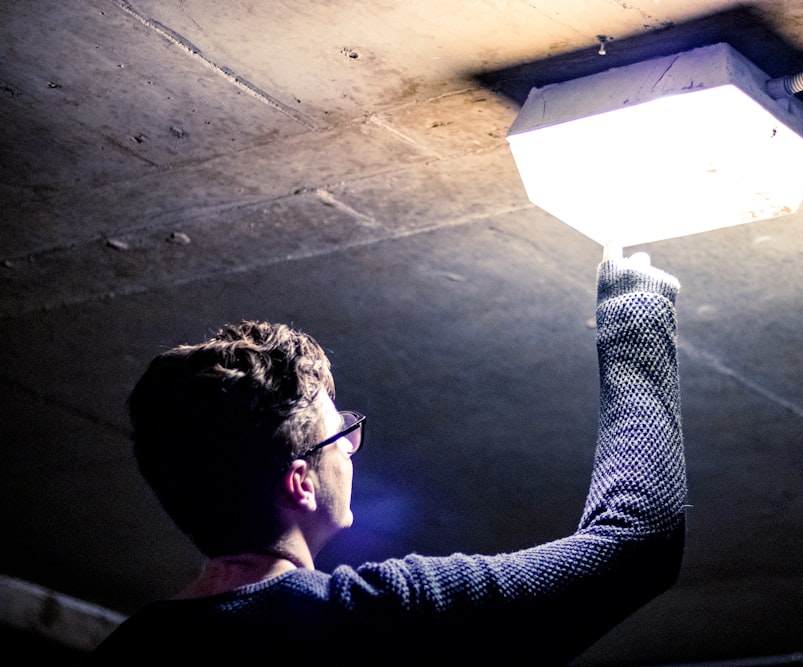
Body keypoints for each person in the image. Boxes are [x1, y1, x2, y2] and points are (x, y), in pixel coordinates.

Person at [92, 247, 688, 663]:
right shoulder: (370, 620)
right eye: (338, 436)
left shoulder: (130, 650)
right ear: (298, 483)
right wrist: (635, 311)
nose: (350, 447)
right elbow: (638, 545)